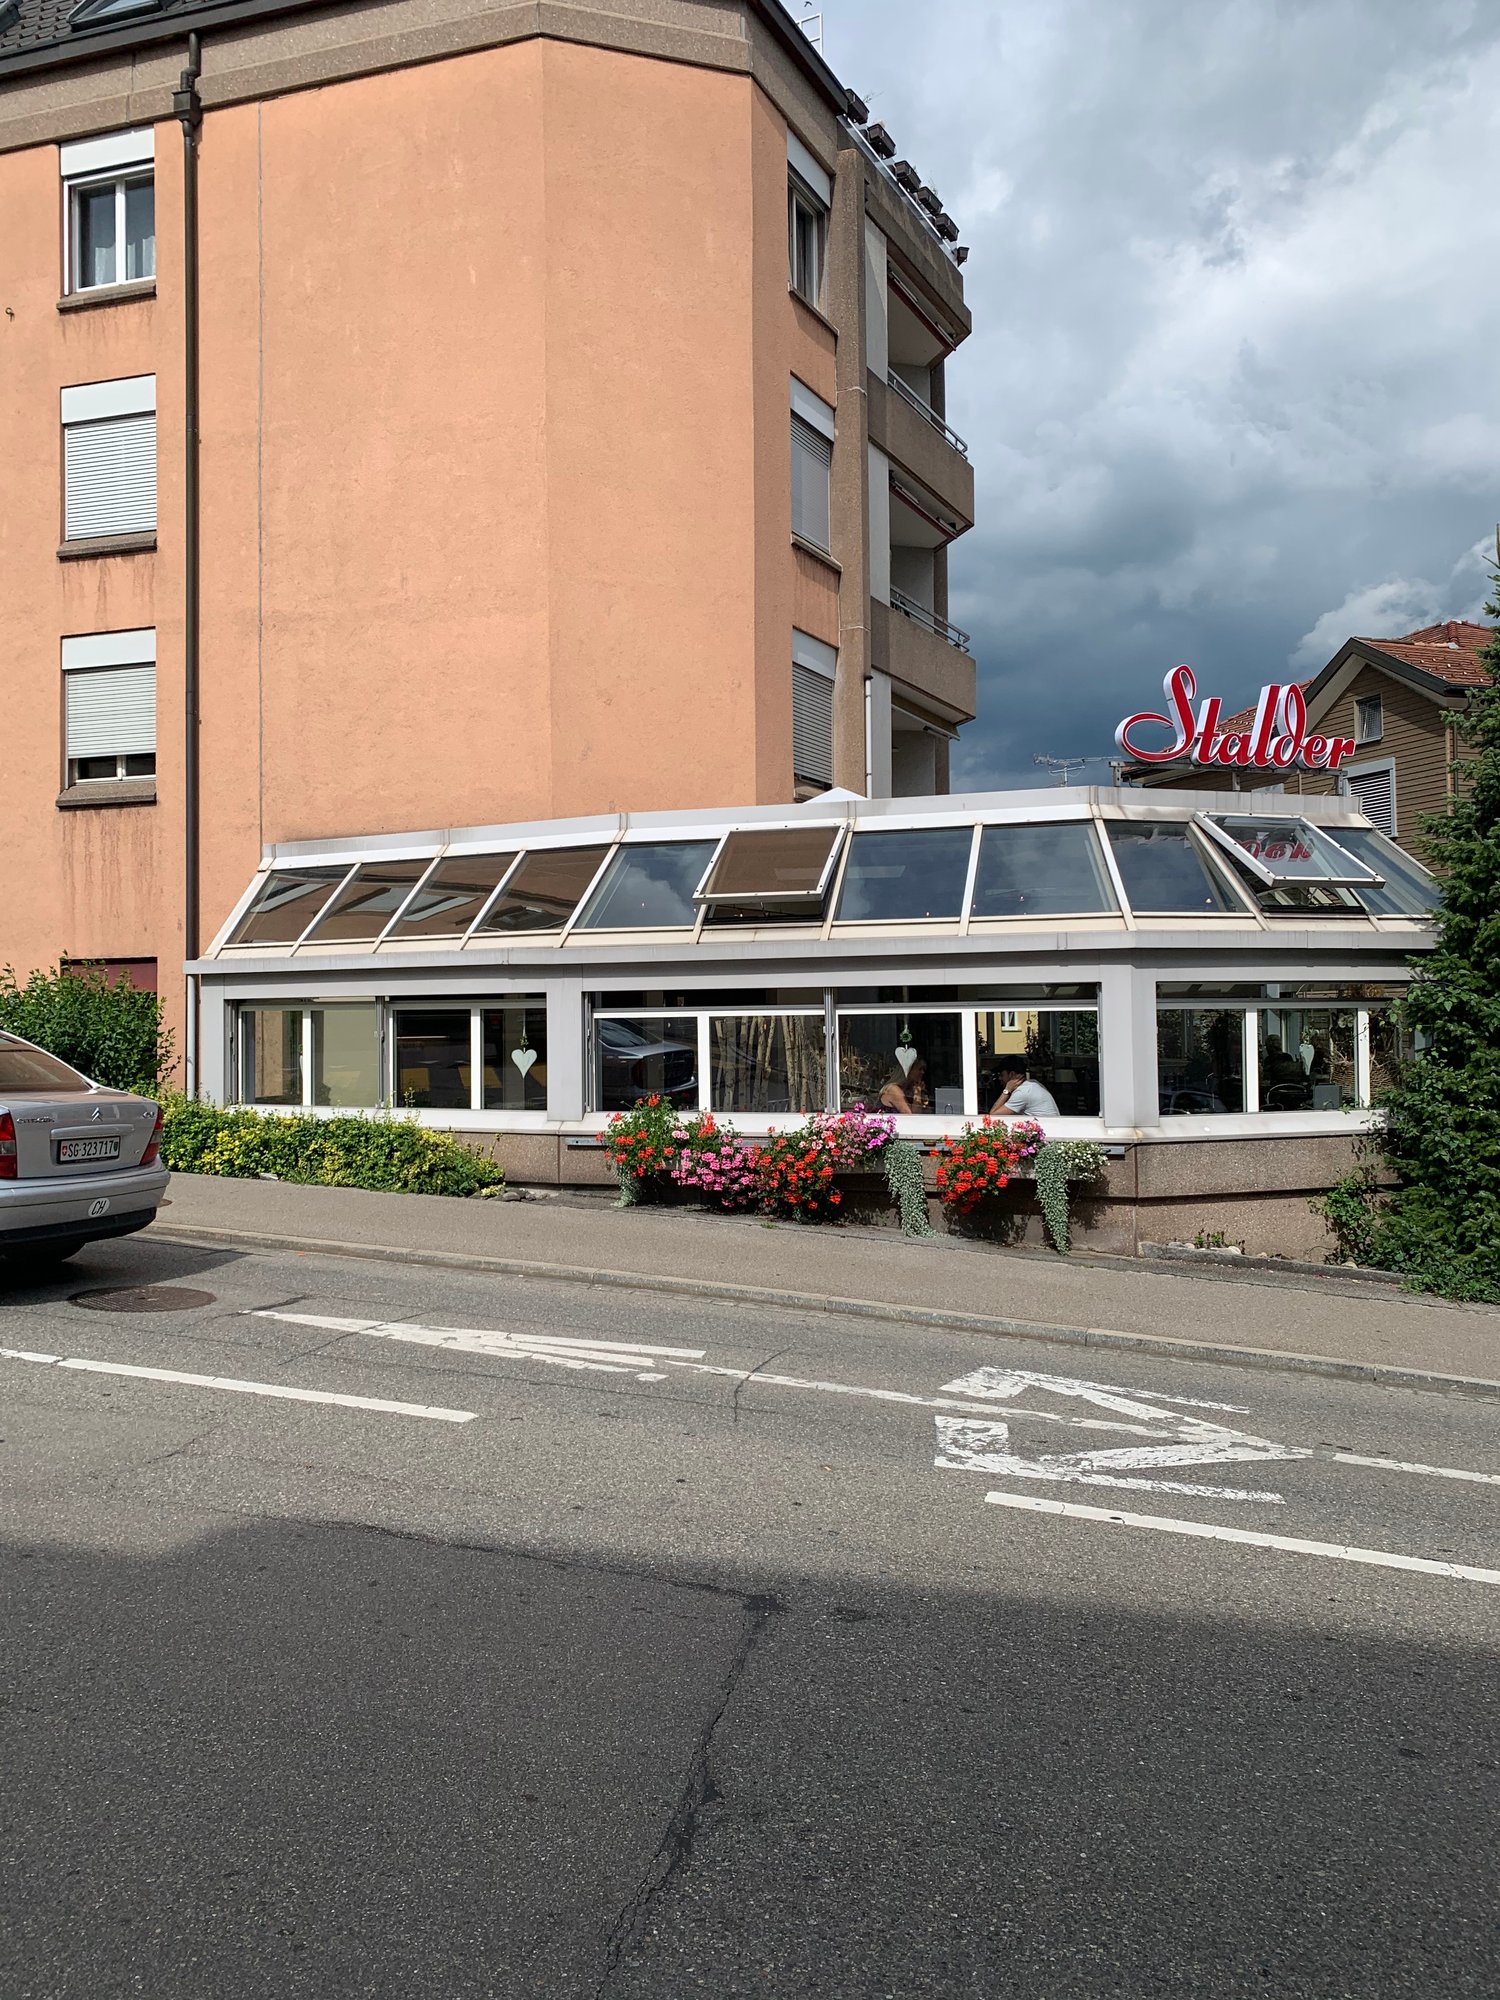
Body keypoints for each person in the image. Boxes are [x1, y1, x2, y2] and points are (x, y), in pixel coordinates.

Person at [989, 1057, 1059, 1119]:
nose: (1000, 1078)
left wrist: (1007, 1090)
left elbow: (993, 1115)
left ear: (1012, 1074)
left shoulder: (1023, 1092)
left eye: (1002, 1075)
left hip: (1048, 1130)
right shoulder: (1032, 1084)